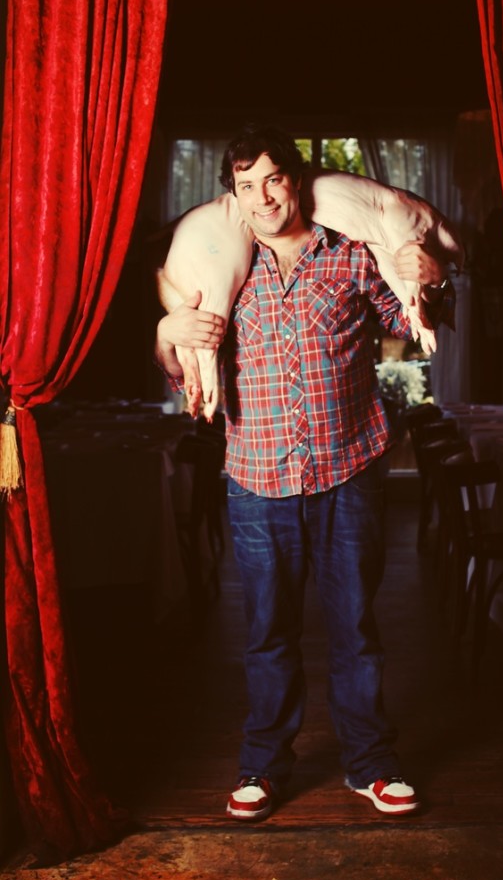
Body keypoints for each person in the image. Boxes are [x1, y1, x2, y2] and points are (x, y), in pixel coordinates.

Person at [155, 124, 452, 822]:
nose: (262, 198)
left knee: (354, 627)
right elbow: (182, 372)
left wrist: (430, 285)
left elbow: (409, 322)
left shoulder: (348, 255)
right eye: (245, 185)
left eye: (272, 179)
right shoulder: (216, 266)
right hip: (256, 479)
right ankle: (262, 764)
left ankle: (370, 764)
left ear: (296, 179)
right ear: (233, 194)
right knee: (266, 631)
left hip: (348, 469)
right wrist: (169, 340)